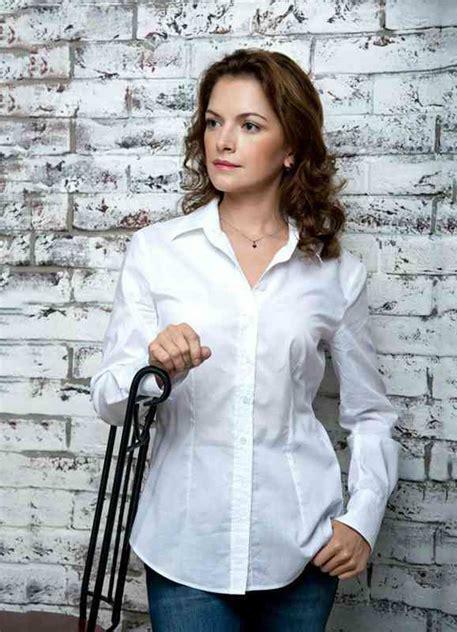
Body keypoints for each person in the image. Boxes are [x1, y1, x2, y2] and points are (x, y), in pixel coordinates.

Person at [89, 48, 401, 631]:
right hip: (186, 546)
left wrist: (362, 518)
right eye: (214, 122)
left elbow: (370, 414)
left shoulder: (334, 272)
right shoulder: (157, 252)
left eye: (249, 125)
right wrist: (155, 368)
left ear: (291, 149)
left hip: (302, 548)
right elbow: (109, 399)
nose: (223, 142)